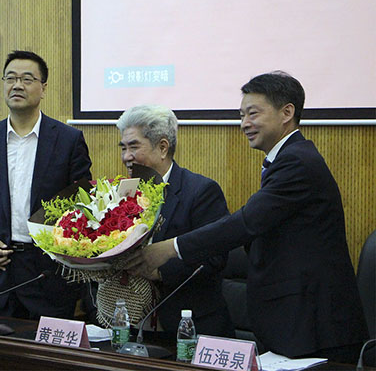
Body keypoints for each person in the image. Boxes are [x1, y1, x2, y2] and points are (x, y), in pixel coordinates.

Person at [126, 72, 368, 362]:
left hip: (316, 325)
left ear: (286, 113)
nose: (244, 124)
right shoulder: (287, 159)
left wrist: (169, 248)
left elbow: (245, 223)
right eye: (241, 115)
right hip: (295, 322)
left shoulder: (297, 162)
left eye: (253, 114)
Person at [0, 50, 92, 319]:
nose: (17, 85)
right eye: (10, 78)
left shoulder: (68, 140)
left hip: (49, 272)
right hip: (0, 268)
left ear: (43, 88)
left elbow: (83, 202)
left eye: (27, 79)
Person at [117, 105, 234, 337]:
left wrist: (159, 271)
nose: (126, 156)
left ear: (162, 147)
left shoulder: (201, 191)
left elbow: (215, 257)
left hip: (190, 328)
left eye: (134, 147)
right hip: (135, 325)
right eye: (123, 148)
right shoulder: (124, 193)